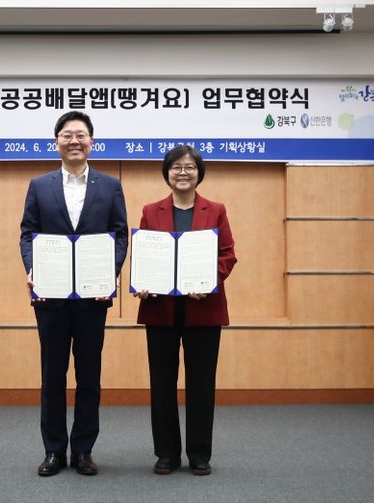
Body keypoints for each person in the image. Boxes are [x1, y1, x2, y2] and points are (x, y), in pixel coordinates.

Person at [19, 111, 128, 477]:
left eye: (81, 135)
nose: (74, 141)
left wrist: (109, 274)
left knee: (89, 376)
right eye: (67, 135)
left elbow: (120, 234)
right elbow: (28, 233)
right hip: (50, 298)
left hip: (92, 299)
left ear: (91, 142)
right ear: (57, 143)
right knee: (52, 376)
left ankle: (83, 450)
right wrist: (32, 267)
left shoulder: (110, 186)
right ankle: (53, 450)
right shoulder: (39, 185)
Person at [133, 144, 237, 476]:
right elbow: (144, 255)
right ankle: (166, 453)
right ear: (167, 173)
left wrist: (208, 281)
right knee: (161, 383)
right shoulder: (151, 211)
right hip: (160, 308)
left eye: (189, 167)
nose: (182, 172)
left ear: (199, 173)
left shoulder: (215, 210)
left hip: (203, 308)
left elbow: (227, 254)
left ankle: (199, 453)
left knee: (201, 383)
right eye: (176, 167)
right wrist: (142, 282)